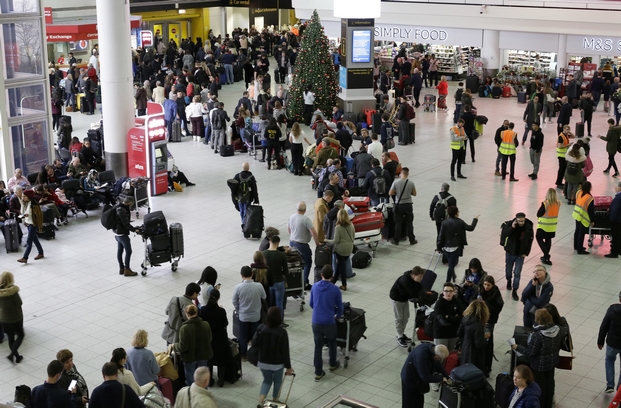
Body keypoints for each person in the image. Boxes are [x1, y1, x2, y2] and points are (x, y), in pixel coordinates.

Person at [512, 309, 566, 408]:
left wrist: (517, 347)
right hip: (552, 362)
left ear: (538, 320)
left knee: (540, 387)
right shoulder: (558, 330)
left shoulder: (538, 335)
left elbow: (530, 352)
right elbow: (565, 329)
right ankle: (548, 404)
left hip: (539, 366)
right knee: (549, 384)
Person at [254, 306, 294, 406]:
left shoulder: (261, 328)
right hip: (277, 363)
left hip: (263, 361)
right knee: (277, 381)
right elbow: (285, 351)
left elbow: (254, 343)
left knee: (267, 381)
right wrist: (288, 367)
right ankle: (275, 400)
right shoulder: (282, 332)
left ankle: (261, 401)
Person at [310, 265, 343, 381]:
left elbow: (311, 304)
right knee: (332, 342)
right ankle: (332, 364)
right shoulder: (335, 290)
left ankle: (318, 372)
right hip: (329, 321)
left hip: (316, 321)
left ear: (321, 275)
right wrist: (337, 316)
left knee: (318, 346)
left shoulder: (314, 287)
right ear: (332, 276)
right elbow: (340, 308)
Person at [173, 304, 213, 386]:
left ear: (187, 314)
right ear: (197, 312)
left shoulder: (185, 328)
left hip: (190, 358)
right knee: (202, 379)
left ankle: (192, 396)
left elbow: (182, 346)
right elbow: (209, 339)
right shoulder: (205, 324)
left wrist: (174, 346)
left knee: (190, 380)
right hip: (203, 356)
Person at [199, 289, 232, 387]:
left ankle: (209, 380)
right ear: (218, 298)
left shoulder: (203, 310)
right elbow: (225, 323)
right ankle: (221, 380)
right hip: (220, 337)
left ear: (208, 296)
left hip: (208, 337)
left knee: (209, 359)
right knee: (221, 358)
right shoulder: (221, 311)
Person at [232, 266, 267, 360]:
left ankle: (243, 355)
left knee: (243, 336)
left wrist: (238, 310)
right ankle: (255, 354)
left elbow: (234, 301)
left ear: (241, 275)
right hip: (256, 316)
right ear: (252, 274)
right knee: (255, 335)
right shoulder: (259, 286)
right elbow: (264, 296)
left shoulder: (238, 287)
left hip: (243, 316)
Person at [437, 206, 479, 283]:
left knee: (451, 262)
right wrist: (475, 219)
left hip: (446, 247)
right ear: (456, 213)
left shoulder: (444, 223)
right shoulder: (460, 222)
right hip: (456, 247)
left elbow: (440, 236)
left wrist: (439, 247)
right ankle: (448, 281)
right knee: (451, 265)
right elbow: (471, 228)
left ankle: (453, 275)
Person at [401, 343, 449, 408]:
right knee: (409, 404)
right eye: (440, 359)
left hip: (418, 381)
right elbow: (425, 377)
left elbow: (438, 364)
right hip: (410, 380)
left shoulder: (433, 349)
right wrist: (441, 378)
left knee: (419, 402)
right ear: (436, 356)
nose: (440, 360)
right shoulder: (421, 355)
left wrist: (446, 376)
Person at [501, 212, 534, 301]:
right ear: (516, 220)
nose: (521, 223)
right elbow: (504, 234)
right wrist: (512, 227)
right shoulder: (510, 224)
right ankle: (508, 280)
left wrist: (526, 253)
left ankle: (515, 290)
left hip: (520, 254)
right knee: (508, 270)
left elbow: (530, 240)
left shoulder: (528, 227)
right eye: (519, 221)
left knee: (517, 273)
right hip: (510, 252)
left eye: (522, 221)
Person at [390, 266, 425, 347]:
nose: (421, 278)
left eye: (422, 276)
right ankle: (399, 336)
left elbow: (419, 289)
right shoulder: (404, 280)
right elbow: (412, 293)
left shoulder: (414, 280)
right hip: (397, 299)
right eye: (420, 276)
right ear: (413, 275)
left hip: (404, 299)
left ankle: (401, 333)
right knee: (399, 318)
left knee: (406, 317)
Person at [288, 201, 320, 290]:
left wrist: (293, 236)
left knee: (296, 262)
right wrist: (317, 243)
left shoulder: (291, 217)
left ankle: (296, 281)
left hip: (292, 242)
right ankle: (304, 282)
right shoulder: (306, 219)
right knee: (307, 263)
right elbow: (313, 232)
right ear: (305, 210)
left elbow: (289, 229)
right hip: (302, 245)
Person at [325, 209, 355, 291]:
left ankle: (344, 285)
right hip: (349, 249)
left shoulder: (338, 227)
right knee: (340, 265)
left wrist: (326, 240)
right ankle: (333, 282)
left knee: (342, 267)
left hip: (340, 250)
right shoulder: (351, 224)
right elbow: (353, 236)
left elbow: (335, 241)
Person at [598, 290, 621, 393]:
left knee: (610, 360)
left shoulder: (612, 309)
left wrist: (600, 341)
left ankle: (610, 385)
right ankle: (620, 387)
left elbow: (604, 326)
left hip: (612, 343)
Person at [480, 276, 504, 376]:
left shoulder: (496, 293)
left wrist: (486, 304)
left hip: (489, 321)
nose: (486, 287)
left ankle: (486, 367)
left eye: (488, 285)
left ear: (493, 285)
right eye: (485, 284)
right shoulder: (480, 290)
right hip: (480, 319)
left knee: (487, 342)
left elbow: (497, 309)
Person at [457, 299, 490, 371]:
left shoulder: (465, 319)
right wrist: (485, 338)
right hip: (474, 354)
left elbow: (459, 332)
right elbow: (479, 344)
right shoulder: (479, 325)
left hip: (465, 348)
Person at [388, 167, 418, 246]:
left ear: (401, 173)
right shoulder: (411, 183)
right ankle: (412, 240)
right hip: (408, 205)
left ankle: (396, 240)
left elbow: (390, 193)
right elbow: (414, 193)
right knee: (409, 223)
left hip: (399, 205)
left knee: (398, 223)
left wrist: (396, 191)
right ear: (407, 174)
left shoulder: (396, 182)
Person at [433, 282, 464, 352]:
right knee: (440, 356)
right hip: (441, 335)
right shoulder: (439, 304)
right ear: (443, 292)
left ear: (454, 292)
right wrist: (455, 319)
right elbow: (442, 322)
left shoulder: (457, 302)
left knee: (451, 358)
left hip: (454, 335)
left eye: (450, 291)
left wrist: (448, 317)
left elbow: (462, 318)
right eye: (446, 291)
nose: (448, 293)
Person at [0, 271, 24, 363]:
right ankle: (11, 354)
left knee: (10, 337)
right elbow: (19, 303)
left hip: (3, 319)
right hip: (15, 318)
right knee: (21, 335)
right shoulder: (13, 292)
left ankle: (17, 357)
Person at [262, 235, 288, 318]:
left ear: (270, 242)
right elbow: (286, 271)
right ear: (278, 243)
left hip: (268, 282)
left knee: (269, 303)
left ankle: (269, 319)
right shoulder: (282, 255)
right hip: (279, 282)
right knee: (279, 303)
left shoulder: (264, 253)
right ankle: (279, 321)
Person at [16, 190, 44, 264]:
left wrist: (27, 215)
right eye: (22, 196)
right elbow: (22, 212)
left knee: (29, 241)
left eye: (24, 196)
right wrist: (22, 204)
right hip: (28, 223)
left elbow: (37, 215)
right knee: (34, 239)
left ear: (29, 196)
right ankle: (41, 252)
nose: (23, 198)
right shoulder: (26, 203)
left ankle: (25, 257)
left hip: (33, 224)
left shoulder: (34, 203)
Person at [112, 196, 138, 277]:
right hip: (122, 234)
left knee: (120, 251)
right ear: (129, 203)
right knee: (128, 251)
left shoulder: (117, 206)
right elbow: (125, 224)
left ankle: (121, 268)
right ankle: (127, 269)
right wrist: (134, 230)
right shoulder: (122, 210)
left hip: (116, 233)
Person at [536, 188, 561, 265]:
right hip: (552, 226)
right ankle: (545, 256)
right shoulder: (558, 203)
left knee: (538, 238)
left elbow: (539, 214)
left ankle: (546, 255)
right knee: (548, 239)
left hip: (543, 226)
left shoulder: (545, 203)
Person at [572, 181, 595, 255]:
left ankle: (576, 246)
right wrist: (593, 220)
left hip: (577, 214)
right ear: (589, 188)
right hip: (583, 216)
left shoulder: (578, 192)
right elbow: (591, 211)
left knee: (577, 231)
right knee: (581, 233)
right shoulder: (589, 198)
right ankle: (580, 249)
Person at [608, 182, 621, 258]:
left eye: (616, 187)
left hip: (617, 221)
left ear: (620, 188)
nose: (615, 188)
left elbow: (615, 210)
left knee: (615, 236)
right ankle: (619, 250)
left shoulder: (618, 198)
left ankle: (614, 252)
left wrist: (611, 219)